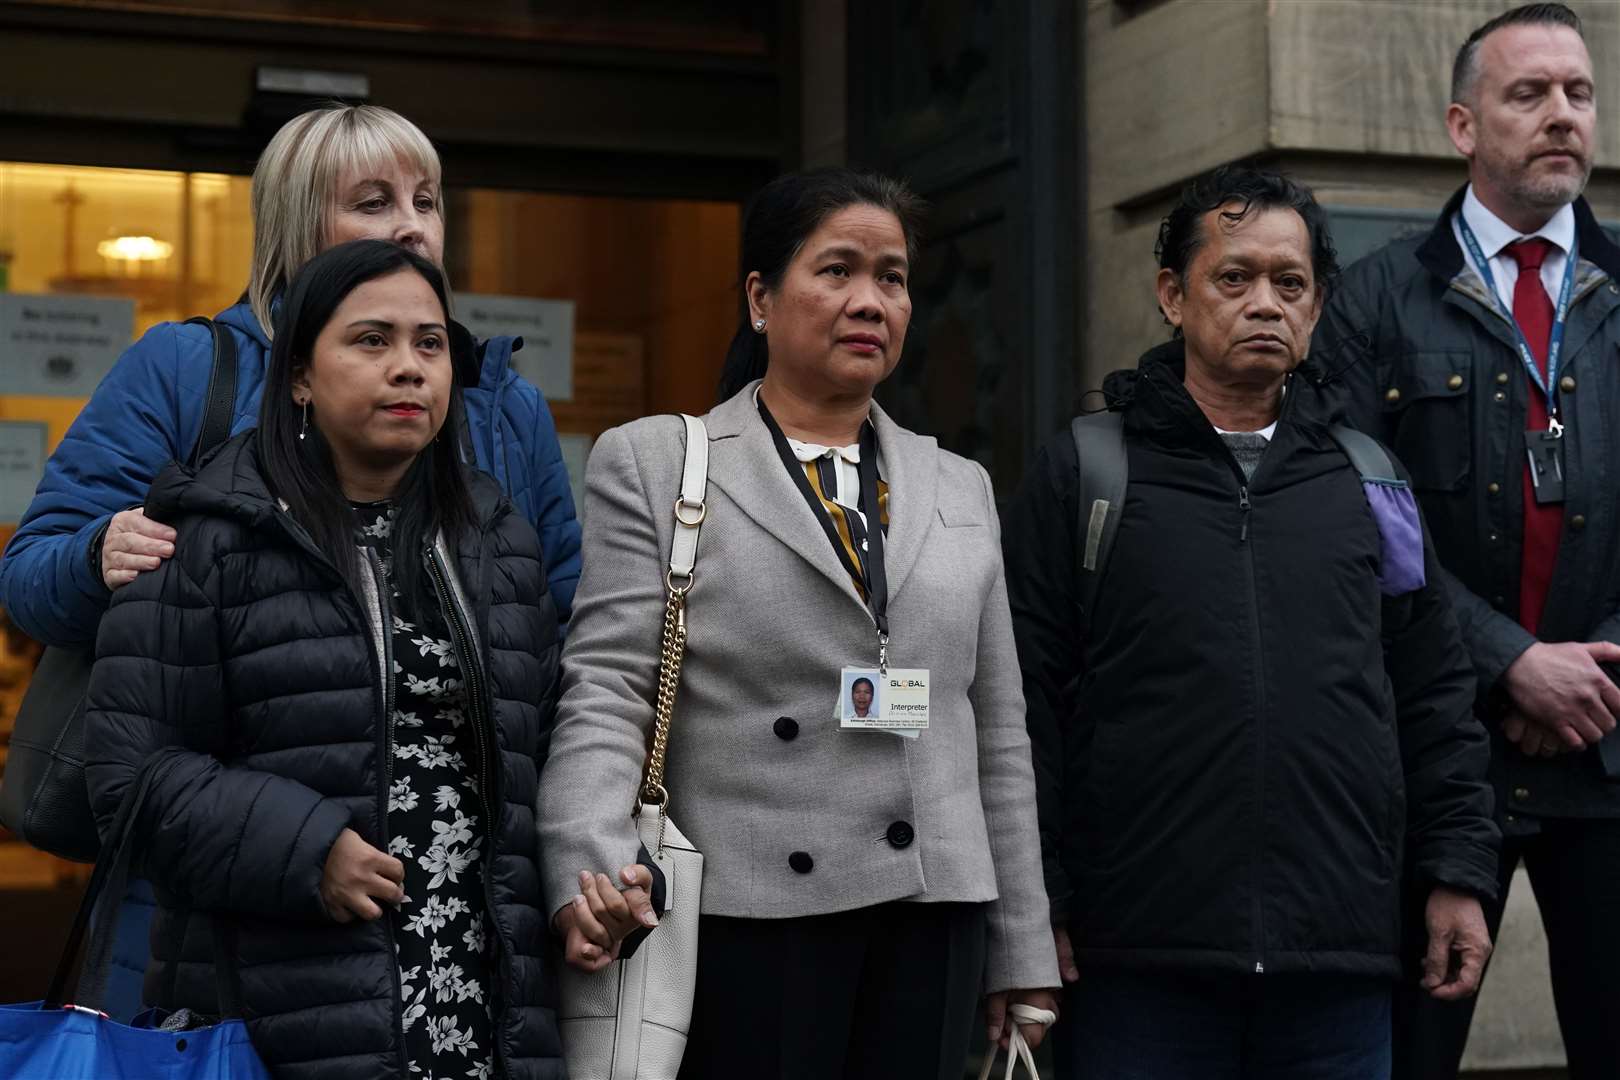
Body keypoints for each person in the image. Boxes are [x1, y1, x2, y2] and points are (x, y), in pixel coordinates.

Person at [0, 102, 581, 1019]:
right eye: (373, 201)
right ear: (296, 226)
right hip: (224, 904)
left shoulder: (500, 404)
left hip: (453, 909)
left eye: (427, 201)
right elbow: (30, 577)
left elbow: (563, 649)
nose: (410, 225)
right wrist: (96, 554)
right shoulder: (189, 370)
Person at [538, 167, 1060, 1079]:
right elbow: (609, 689)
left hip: (933, 911)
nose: (870, 301)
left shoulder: (960, 484)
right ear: (761, 299)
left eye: (891, 278)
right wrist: (590, 866)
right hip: (754, 914)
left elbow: (996, 734)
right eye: (838, 271)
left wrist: (1021, 951)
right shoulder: (661, 462)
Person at [1005, 165, 1500, 1079]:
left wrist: (1459, 871)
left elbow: (1434, 694)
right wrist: (1037, 902)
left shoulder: (1370, 480)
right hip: (1138, 965)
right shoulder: (1086, 471)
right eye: (1234, 278)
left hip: (1337, 964)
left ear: (1317, 309)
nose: (1265, 303)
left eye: (1291, 283)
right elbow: (1023, 706)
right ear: (1172, 295)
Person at [84, 240, 563, 1080]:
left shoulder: (498, 541)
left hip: (479, 1006)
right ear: (300, 375)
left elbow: (546, 759)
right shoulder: (209, 533)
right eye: (371, 341)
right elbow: (129, 779)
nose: (409, 369)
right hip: (281, 1005)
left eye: (430, 343)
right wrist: (305, 850)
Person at [1313, 6, 1620, 1076]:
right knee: (1404, 1051)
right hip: (1436, 755)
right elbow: (1355, 523)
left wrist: (1592, 671)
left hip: (1611, 742)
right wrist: (1511, 663)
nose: (1561, 116)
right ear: (1462, 124)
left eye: (1578, 94)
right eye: (1528, 94)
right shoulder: (1372, 300)